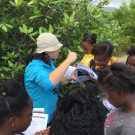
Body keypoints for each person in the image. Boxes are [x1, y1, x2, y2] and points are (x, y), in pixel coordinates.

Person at [24, 32, 77, 125]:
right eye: (56, 48)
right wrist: (68, 60)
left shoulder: (49, 63)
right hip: (41, 119)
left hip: (53, 114)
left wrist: (69, 78)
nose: (59, 50)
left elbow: (57, 82)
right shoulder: (33, 68)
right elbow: (48, 83)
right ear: (47, 51)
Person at [98, 63, 135, 135]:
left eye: (105, 94)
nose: (105, 98)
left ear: (119, 94)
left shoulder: (129, 129)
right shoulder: (123, 106)